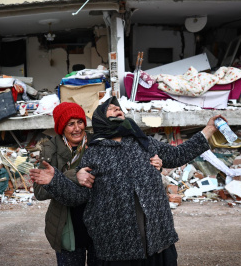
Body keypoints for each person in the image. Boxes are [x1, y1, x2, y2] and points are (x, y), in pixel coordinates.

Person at [31, 96, 222, 265]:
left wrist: (209, 129)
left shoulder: (145, 143)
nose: (118, 110)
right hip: (119, 247)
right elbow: (79, 196)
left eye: (119, 109)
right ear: (101, 119)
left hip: (156, 240)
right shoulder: (95, 153)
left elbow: (179, 154)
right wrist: (56, 181)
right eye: (111, 108)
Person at [31, 101, 163, 266]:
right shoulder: (50, 150)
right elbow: (39, 191)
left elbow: (127, 166)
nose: (77, 128)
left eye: (80, 122)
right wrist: (73, 175)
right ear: (61, 127)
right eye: (70, 124)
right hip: (68, 224)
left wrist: (155, 163)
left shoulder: (99, 142)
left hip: (101, 223)